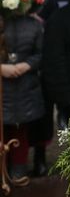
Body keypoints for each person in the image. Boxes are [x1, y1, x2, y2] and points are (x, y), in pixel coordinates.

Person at [2, 13, 44, 181]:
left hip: (24, 88)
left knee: (20, 132)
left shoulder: (33, 24)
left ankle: (18, 173)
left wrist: (27, 64)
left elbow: (41, 52)